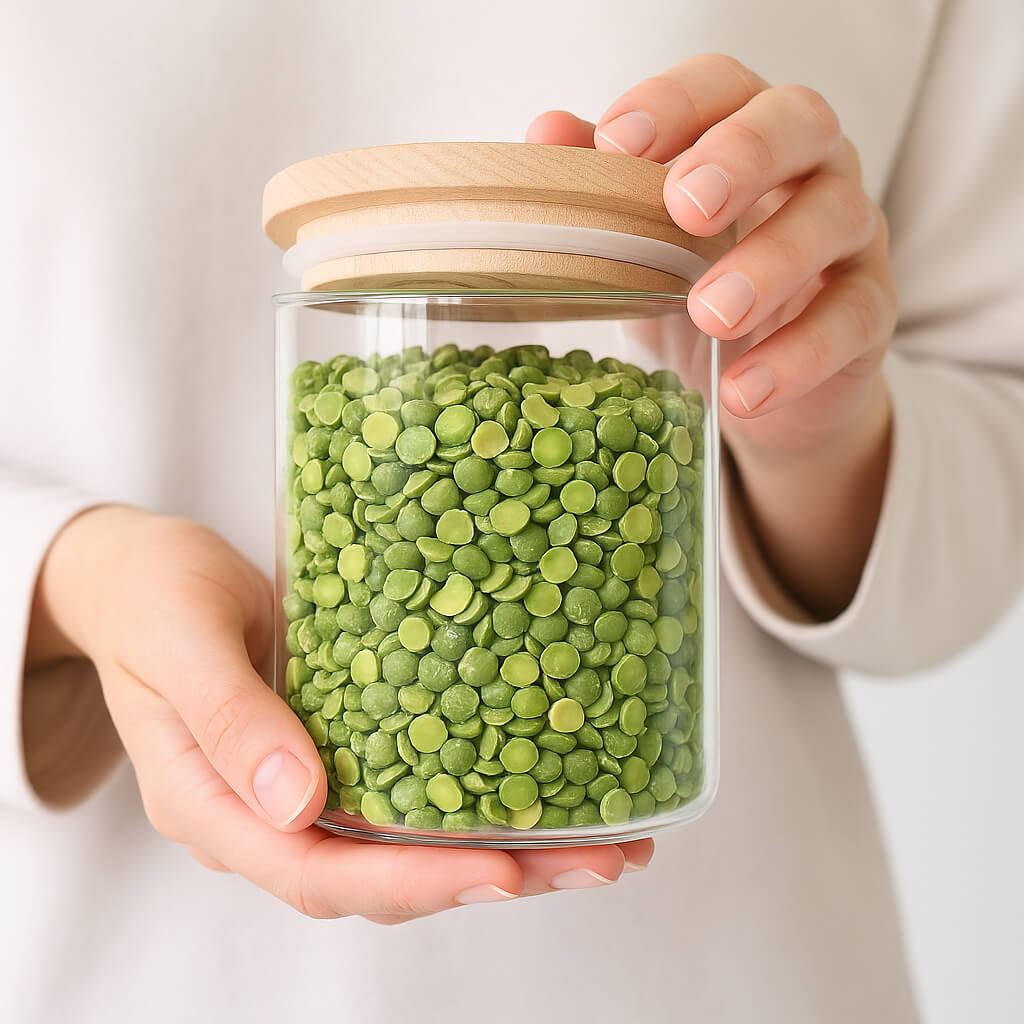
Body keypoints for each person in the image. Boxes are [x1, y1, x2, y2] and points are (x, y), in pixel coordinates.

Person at [3, 2, 1022, 1021]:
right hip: (128, 967)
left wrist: (814, 434)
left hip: (721, 962)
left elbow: (992, 434)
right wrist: (65, 578)